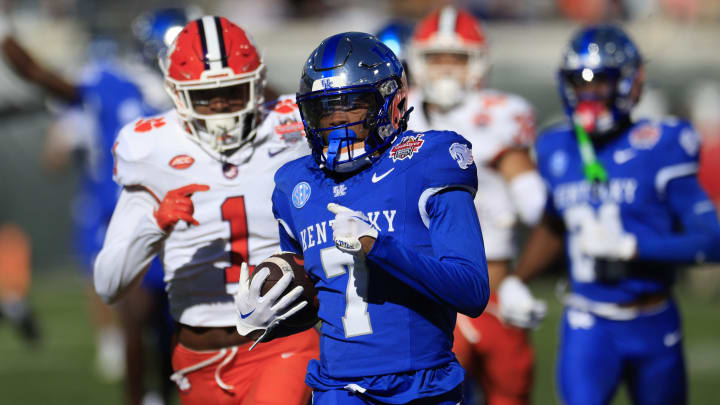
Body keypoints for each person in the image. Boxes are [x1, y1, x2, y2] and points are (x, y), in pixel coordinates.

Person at [235, 31, 490, 404]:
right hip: (338, 388)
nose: (335, 122)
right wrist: (273, 308)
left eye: (351, 106)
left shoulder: (428, 160)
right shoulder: (296, 184)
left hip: (421, 385)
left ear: (391, 103)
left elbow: (471, 291)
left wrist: (381, 248)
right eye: (323, 110)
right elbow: (322, 288)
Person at [93, 16, 318, 405]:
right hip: (196, 358)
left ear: (256, 83)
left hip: (284, 342)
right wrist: (153, 223)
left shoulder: (291, 127)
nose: (219, 109)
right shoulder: (149, 150)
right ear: (177, 94)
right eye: (204, 97)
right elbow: (109, 284)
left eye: (232, 92)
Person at [511, 25, 720, 405]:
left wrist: (632, 247)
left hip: (653, 317)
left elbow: (711, 240)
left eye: (600, 82)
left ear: (630, 84)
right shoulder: (557, 146)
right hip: (588, 322)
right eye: (579, 82)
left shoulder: (661, 144)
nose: (588, 94)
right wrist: (517, 280)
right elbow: (554, 224)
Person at [406, 7, 547, 405]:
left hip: (498, 290)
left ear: (478, 63)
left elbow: (535, 204)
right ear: (418, 61)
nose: (446, 70)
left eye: (457, 58)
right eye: (436, 58)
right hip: (431, 293)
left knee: (511, 395)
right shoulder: (399, 112)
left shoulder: (500, 113)